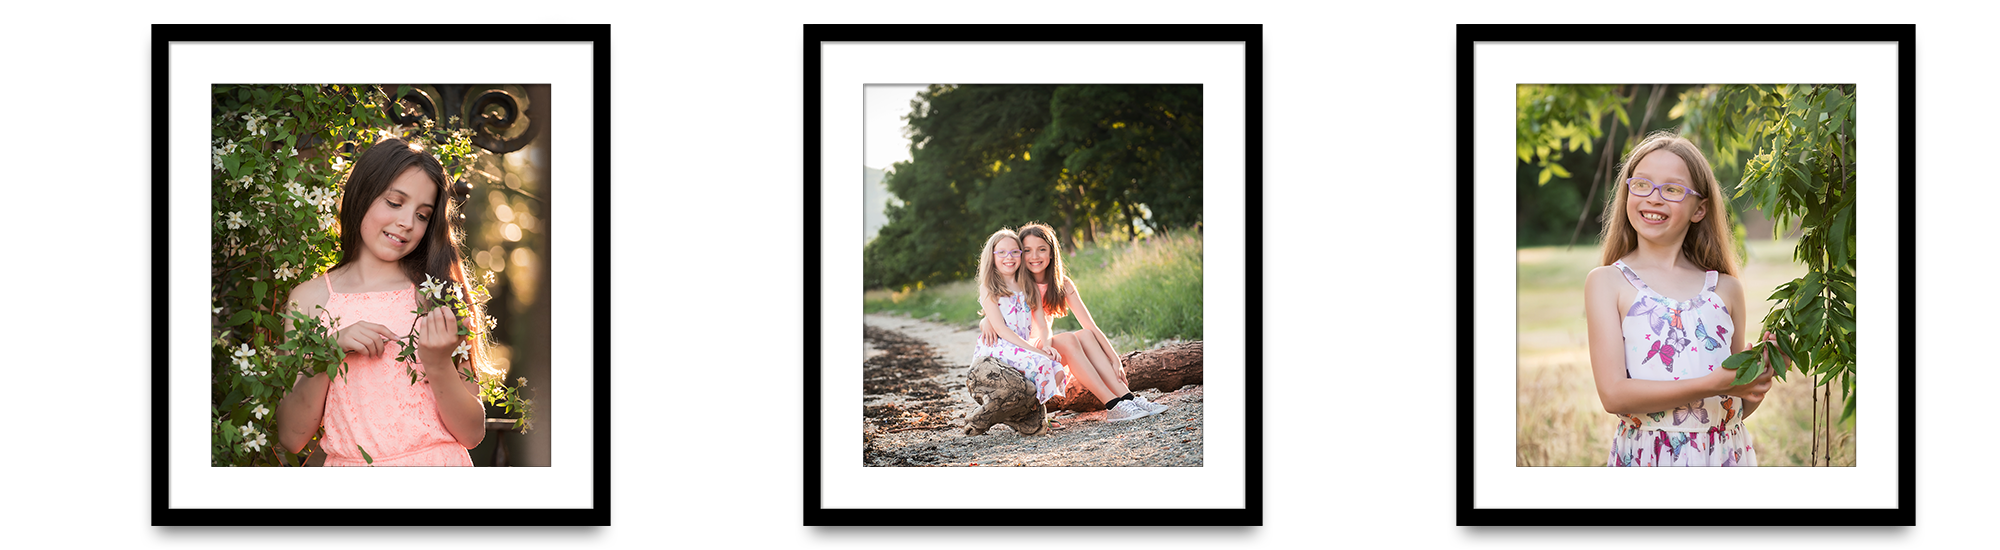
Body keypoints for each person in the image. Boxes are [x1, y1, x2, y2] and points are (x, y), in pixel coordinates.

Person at [273, 136, 493, 466]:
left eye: (422, 215)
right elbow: (292, 437)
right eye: (394, 202)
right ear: (361, 196)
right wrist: (329, 352)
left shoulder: (438, 294)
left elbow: (472, 433)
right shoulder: (310, 299)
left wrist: (437, 363)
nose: (407, 222)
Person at [1584, 131, 1790, 467]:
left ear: (1699, 209)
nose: (1654, 198)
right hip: (1650, 458)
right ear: (1627, 193)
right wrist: (1714, 382)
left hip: (1723, 455)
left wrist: (1760, 378)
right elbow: (1614, 394)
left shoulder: (1725, 290)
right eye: (1642, 184)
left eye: (1673, 189)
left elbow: (1733, 405)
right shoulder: (1608, 282)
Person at [982, 223, 1165, 421]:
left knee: (1085, 335)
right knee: (1069, 339)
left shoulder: (1062, 284)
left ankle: (1128, 398)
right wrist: (984, 321)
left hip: (1045, 346)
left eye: (1042, 249)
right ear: (1020, 254)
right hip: (1027, 351)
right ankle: (1112, 404)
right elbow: (999, 313)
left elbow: (1090, 326)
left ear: (1052, 253)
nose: (1034, 256)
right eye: (1027, 251)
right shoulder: (1018, 283)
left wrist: (1115, 359)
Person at [966, 228, 1082, 420]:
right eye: (1001, 252)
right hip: (999, 347)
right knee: (1043, 363)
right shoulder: (989, 287)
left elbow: (1043, 325)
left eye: (1014, 252)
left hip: (1021, 347)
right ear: (992, 257)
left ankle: (1032, 411)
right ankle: (1039, 417)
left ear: (1020, 255)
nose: (1008, 257)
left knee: (1058, 368)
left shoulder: (1028, 285)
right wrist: (1035, 351)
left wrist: (1046, 345)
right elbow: (1001, 329)